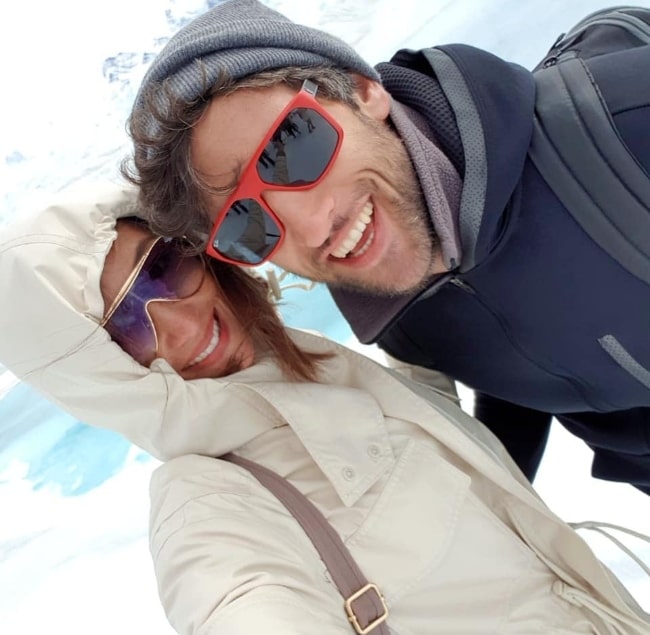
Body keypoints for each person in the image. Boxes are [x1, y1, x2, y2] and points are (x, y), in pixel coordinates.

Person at [0, 183, 649, 633]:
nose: (180, 324)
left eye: (163, 270)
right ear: (98, 376)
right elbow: (236, 601)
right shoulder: (203, 503)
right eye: (127, 329)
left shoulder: (306, 367)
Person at [122, 0, 650, 492]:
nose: (309, 229)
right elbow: (527, 354)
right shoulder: (403, 318)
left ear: (363, 90)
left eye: (291, 148)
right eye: (247, 224)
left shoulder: (630, 123)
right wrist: (493, 496)